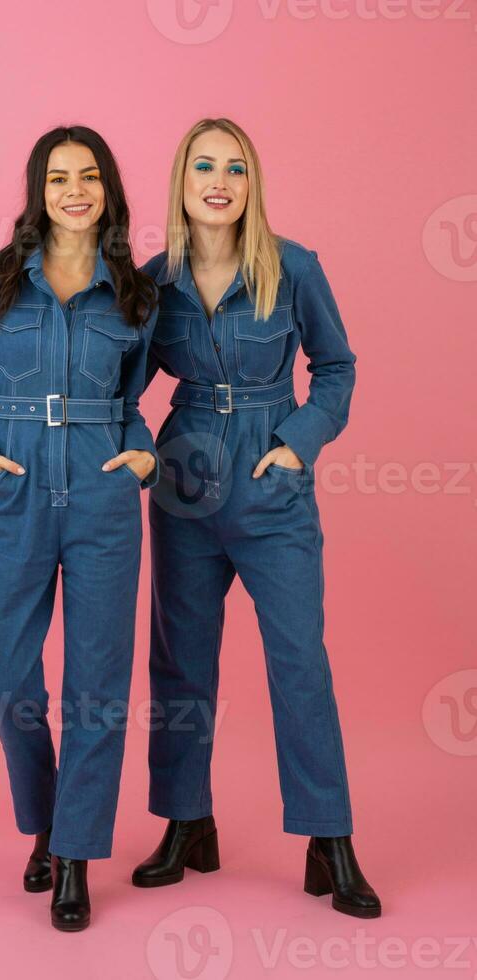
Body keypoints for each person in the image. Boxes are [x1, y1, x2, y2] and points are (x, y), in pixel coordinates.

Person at [129, 117, 380, 918]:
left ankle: (328, 838)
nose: (219, 180)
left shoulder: (293, 266)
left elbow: (335, 367)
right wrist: (135, 452)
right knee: (180, 662)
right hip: (184, 478)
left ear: (251, 184)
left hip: (270, 479)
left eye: (235, 168)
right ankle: (185, 821)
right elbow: (118, 384)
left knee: (299, 660)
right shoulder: (152, 281)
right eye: (204, 165)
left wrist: (297, 444)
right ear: (183, 181)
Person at [0, 125, 158, 932]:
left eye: (89, 177)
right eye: (59, 177)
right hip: (18, 491)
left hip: (103, 500)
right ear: (39, 190)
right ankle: (45, 820)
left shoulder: (134, 287)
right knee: (8, 677)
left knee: (97, 691)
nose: (75, 190)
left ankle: (74, 856)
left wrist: (141, 457)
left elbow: (136, 401)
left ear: (108, 191)